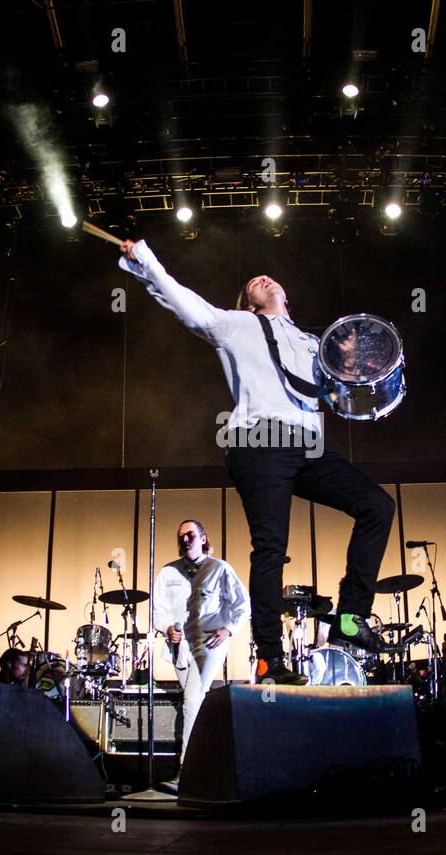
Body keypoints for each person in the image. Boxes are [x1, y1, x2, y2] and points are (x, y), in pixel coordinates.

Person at [117, 239, 391, 685]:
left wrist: (359, 360)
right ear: (248, 302)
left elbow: (353, 389)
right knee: (270, 549)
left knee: (378, 506)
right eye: (251, 284)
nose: (261, 279)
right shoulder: (235, 325)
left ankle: (351, 616)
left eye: (268, 279)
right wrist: (144, 260)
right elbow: (180, 299)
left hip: (310, 447)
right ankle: (270, 659)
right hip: (260, 443)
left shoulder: (314, 345)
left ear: (287, 296)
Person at [152, 519, 249, 790]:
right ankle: (214, 766)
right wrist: (167, 628)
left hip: (209, 644)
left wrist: (228, 629)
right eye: (180, 535)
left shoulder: (220, 569)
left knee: (192, 701)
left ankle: (187, 773)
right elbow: (157, 612)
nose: (185, 539)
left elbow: (243, 604)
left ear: (203, 537)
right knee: (196, 702)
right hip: (180, 648)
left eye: (190, 534)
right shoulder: (168, 573)